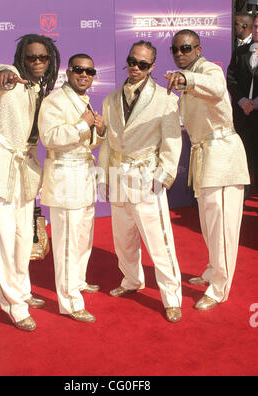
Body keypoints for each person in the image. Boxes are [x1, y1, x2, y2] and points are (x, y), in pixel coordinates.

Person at [0, 34, 60, 332]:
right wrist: (5, 75)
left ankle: (22, 290)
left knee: (24, 237)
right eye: (30, 58)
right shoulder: (6, 79)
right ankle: (14, 304)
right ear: (20, 59)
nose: (37, 62)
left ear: (50, 61)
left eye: (43, 58)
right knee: (4, 239)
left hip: (25, 172)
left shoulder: (40, 90)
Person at [98, 41, 183, 323]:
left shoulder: (165, 98)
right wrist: (104, 177)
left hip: (148, 178)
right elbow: (109, 143)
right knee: (123, 239)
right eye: (132, 61)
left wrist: (164, 176)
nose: (135, 68)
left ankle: (172, 297)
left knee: (159, 243)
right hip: (118, 176)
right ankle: (131, 280)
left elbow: (172, 141)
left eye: (143, 64)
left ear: (152, 67)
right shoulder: (110, 99)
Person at [165, 30, 250, 311]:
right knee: (209, 223)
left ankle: (220, 288)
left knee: (223, 227)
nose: (180, 53)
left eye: (186, 48)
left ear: (198, 49)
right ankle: (214, 271)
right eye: (175, 49)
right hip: (205, 158)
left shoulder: (208, 69)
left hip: (223, 157)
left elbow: (214, 88)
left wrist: (187, 79)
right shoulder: (187, 81)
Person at [38, 54, 105, 323]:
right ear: (68, 71)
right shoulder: (54, 100)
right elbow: (50, 138)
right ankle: (70, 302)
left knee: (83, 236)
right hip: (65, 177)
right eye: (79, 69)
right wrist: (83, 124)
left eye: (90, 71)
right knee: (66, 242)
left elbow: (88, 143)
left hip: (85, 176)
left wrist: (98, 131)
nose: (85, 75)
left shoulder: (84, 101)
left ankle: (77, 281)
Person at [227, 14, 258, 198]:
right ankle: (242, 198)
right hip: (242, 115)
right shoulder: (240, 51)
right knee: (243, 158)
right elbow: (231, 79)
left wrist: (255, 103)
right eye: (255, 26)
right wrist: (242, 101)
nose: (256, 30)